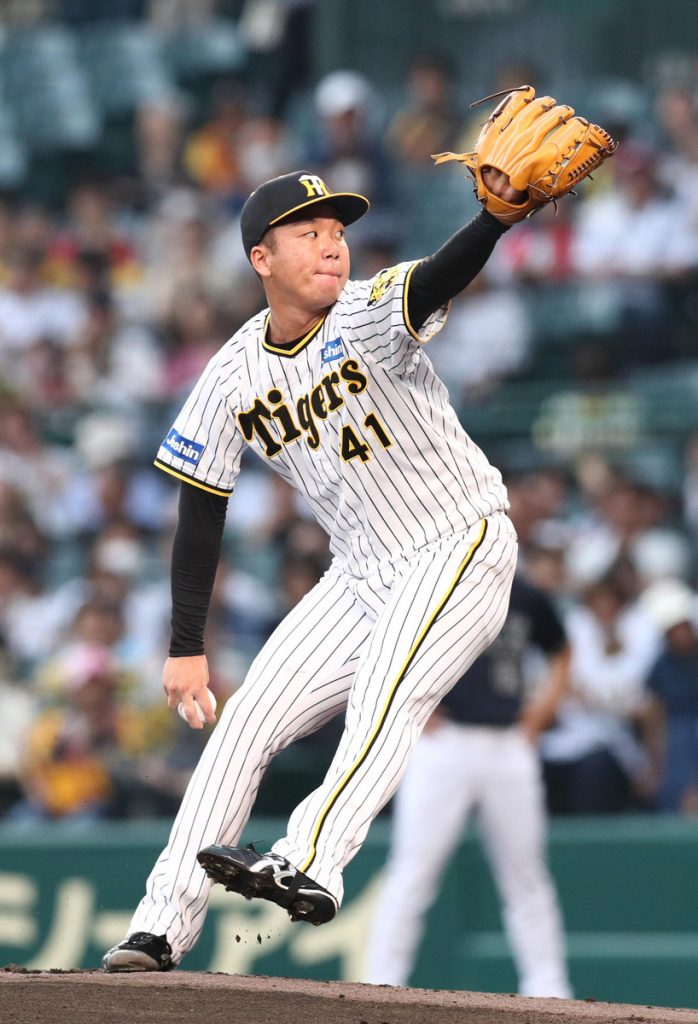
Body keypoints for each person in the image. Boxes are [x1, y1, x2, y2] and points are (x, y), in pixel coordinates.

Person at [102, 164, 522, 973]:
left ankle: (313, 859)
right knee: (247, 723)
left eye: (338, 232)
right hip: (360, 569)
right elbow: (201, 508)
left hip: (458, 540)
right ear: (262, 258)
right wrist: (186, 643)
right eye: (311, 233)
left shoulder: (365, 313)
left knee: (386, 694)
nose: (334, 246)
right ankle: (160, 928)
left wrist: (494, 222)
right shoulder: (231, 372)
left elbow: (438, 277)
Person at [363, 569, 572, 999]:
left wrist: (540, 713)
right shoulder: (434, 580)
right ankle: (379, 984)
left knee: (527, 876)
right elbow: (377, 635)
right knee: (412, 871)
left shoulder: (526, 592)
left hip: (508, 741)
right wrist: (408, 705)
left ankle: (549, 991)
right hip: (444, 743)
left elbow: (562, 651)